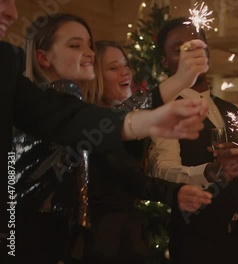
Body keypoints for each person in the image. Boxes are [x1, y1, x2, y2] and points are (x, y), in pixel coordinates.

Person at [9, 13, 212, 264]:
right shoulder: (47, 103)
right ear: (43, 57)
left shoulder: (71, 107)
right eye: (75, 45)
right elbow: (106, 121)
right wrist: (178, 82)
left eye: (90, 45)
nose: (89, 53)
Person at [147, 17, 238, 264]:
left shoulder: (234, 110)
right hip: (196, 244)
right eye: (179, 48)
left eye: (196, 44)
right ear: (165, 62)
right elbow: (161, 172)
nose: (191, 51)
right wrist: (207, 173)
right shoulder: (164, 111)